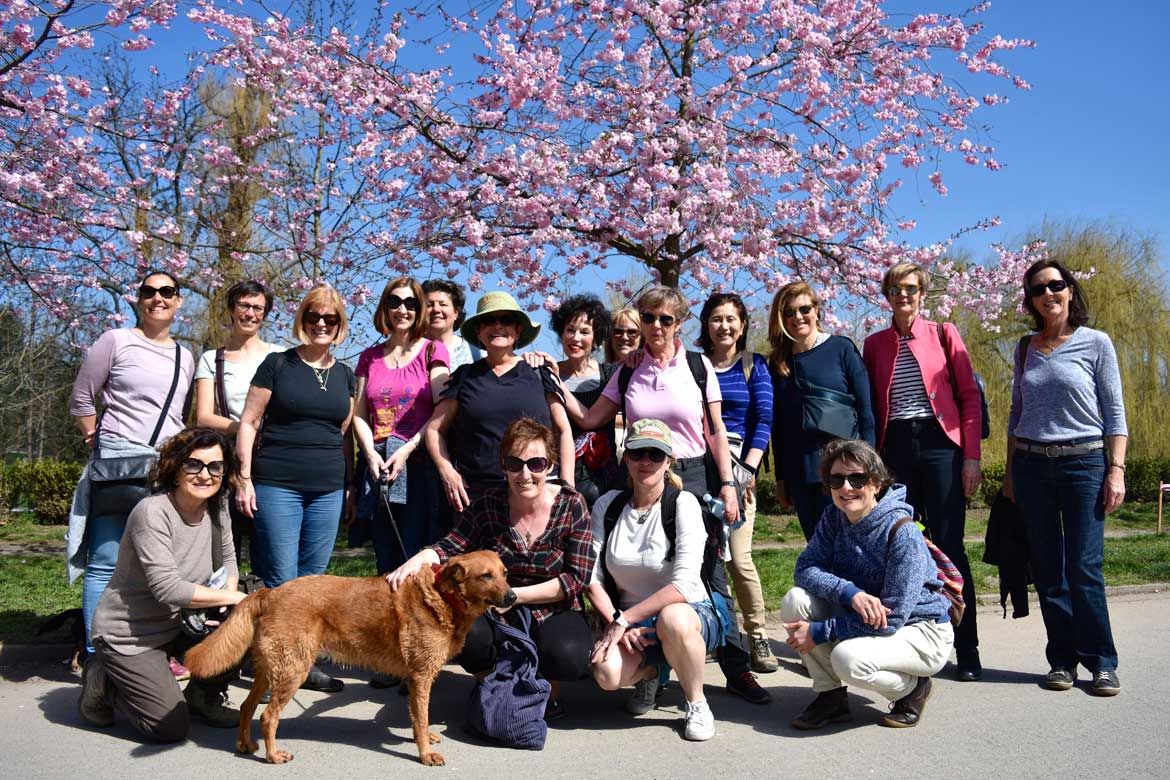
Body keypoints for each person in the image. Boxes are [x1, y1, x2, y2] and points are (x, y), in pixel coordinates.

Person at [560, 285, 769, 706]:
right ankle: (648, 667)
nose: (656, 326)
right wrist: (552, 380)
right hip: (640, 470)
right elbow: (589, 416)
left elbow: (714, 431)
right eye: (648, 318)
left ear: (680, 323)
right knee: (637, 564)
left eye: (665, 319)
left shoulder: (698, 365)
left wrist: (728, 484)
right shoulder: (627, 369)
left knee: (710, 573)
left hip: (692, 472)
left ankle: (735, 666)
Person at [387, 417, 595, 720]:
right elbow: (451, 545)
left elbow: (576, 579)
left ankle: (547, 692)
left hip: (553, 606)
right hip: (494, 608)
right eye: (514, 463)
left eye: (536, 463)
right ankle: (491, 686)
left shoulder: (572, 505)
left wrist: (515, 595)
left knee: (568, 655)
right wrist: (419, 559)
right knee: (466, 634)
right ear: (503, 466)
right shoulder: (488, 503)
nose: (525, 474)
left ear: (550, 465)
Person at [1004, 259, 1127, 696]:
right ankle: (1062, 660)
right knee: (1048, 569)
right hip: (1032, 466)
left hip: (1085, 464)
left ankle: (1101, 662)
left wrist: (1116, 469)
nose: (1048, 294)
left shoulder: (1096, 343)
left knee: (1084, 567)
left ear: (1070, 290)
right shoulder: (1024, 348)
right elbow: (1017, 414)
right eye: (1038, 289)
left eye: (1056, 285)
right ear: (1031, 301)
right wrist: (1010, 472)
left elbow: (1114, 413)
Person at [77, 427, 248, 741]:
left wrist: (227, 599)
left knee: (244, 625)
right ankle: (103, 680)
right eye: (194, 464)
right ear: (175, 467)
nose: (205, 475)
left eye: (215, 466)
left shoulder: (218, 506)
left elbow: (228, 560)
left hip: (182, 625)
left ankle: (203, 696)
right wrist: (235, 597)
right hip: (130, 635)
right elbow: (167, 589)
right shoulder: (152, 512)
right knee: (168, 728)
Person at [861, 262, 984, 682]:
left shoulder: (944, 333)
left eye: (911, 288)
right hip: (894, 446)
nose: (904, 295)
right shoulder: (875, 344)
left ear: (923, 293)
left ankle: (967, 648)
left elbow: (969, 398)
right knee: (904, 544)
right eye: (895, 288)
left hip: (940, 445)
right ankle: (915, 643)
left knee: (949, 543)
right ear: (887, 294)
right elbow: (872, 404)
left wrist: (971, 456)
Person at [780, 439, 953, 730]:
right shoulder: (834, 518)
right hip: (867, 616)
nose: (846, 488)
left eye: (857, 478)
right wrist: (851, 593)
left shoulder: (902, 532)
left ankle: (912, 689)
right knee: (795, 601)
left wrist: (821, 632)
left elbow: (893, 617)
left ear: (876, 483)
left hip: (921, 629)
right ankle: (830, 697)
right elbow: (805, 568)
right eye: (837, 479)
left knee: (846, 658)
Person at [68, 269, 196, 657]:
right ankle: (98, 658)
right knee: (106, 560)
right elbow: (81, 399)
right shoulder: (115, 341)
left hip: (165, 468)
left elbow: (179, 415)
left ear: (179, 301)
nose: (158, 298)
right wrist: (98, 440)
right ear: (138, 299)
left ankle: (147, 651)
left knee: (159, 563)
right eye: (149, 291)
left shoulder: (185, 356)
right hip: (119, 463)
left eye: (167, 292)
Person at [235, 284, 356, 693]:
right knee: (282, 580)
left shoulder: (345, 375)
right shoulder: (277, 364)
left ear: (340, 325)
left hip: (327, 488)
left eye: (330, 318)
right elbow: (249, 423)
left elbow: (343, 436)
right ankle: (268, 666)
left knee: (313, 581)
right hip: (277, 483)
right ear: (301, 320)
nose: (321, 324)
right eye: (313, 317)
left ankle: (303, 663)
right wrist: (244, 478)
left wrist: (350, 486)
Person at [588, 419, 731, 742]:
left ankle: (696, 703)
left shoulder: (682, 504)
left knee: (674, 620)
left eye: (656, 455)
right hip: (627, 621)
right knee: (606, 673)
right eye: (638, 453)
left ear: (669, 461)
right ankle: (654, 671)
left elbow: (682, 586)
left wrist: (624, 620)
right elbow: (591, 577)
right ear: (625, 457)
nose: (646, 462)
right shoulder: (607, 505)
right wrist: (615, 621)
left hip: (688, 611)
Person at [425, 291, 575, 513]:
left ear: (518, 329)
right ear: (478, 331)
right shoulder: (464, 377)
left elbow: (564, 431)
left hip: (537, 494)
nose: (497, 326)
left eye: (506, 320)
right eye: (488, 321)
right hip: (477, 499)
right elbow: (434, 430)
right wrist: (447, 471)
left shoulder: (539, 373)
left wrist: (566, 486)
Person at [696, 292, 777, 674]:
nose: (724, 326)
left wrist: (746, 472)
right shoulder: (695, 366)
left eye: (731, 319)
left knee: (740, 560)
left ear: (742, 325)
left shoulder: (753, 365)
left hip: (741, 474)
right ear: (706, 326)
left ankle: (756, 633)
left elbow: (763, 421)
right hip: (700, 474)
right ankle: (721, 631)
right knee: (705, 561)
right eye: (716, 319)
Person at [353, 276, 450, 574]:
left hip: (418, 465)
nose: (402, 309)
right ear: (385, 307)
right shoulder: (369, 357)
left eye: (410, 303)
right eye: (395, 301)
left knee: (414, 557)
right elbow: (358, 413)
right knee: (384, 557)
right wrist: (370, 454)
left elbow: (442, 409)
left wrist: (407, 450)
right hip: (379, 466)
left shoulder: (433, 351)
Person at [767, 281, 874, 539]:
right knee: (817, 546)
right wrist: (782, 478)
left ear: (817, 311)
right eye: (789, 312)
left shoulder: (841, 348)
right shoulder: (779, 363)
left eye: (804, 309)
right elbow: (779, 428)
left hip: (844, 469)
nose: (797, 317)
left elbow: (866, 410)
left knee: (850, 545)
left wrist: (869, 467)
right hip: (801, 474)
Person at [194, 280, 282, 567]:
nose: (250, 314)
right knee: (223, 542)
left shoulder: (280, 357)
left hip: (271, 458)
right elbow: (204, 416)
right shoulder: (212, 359)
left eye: (258, 308)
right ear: (232, 310)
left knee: (268, 542)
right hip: (229, 459)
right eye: (244, 306)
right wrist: (245, 429)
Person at [551, 294, 618, 506]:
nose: (576, 338)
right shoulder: (545, 372)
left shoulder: (611, 375)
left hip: (603, 481)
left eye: (585, 332)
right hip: (556, 477)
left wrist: (555, 382)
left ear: (596, 338)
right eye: (570, 330)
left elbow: (588, 420)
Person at [422, 279, 482, 370]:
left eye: (443, 304)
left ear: (456, 313)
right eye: (429, 305)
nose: (436, 310)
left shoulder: (475, 352)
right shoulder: (410, 351)